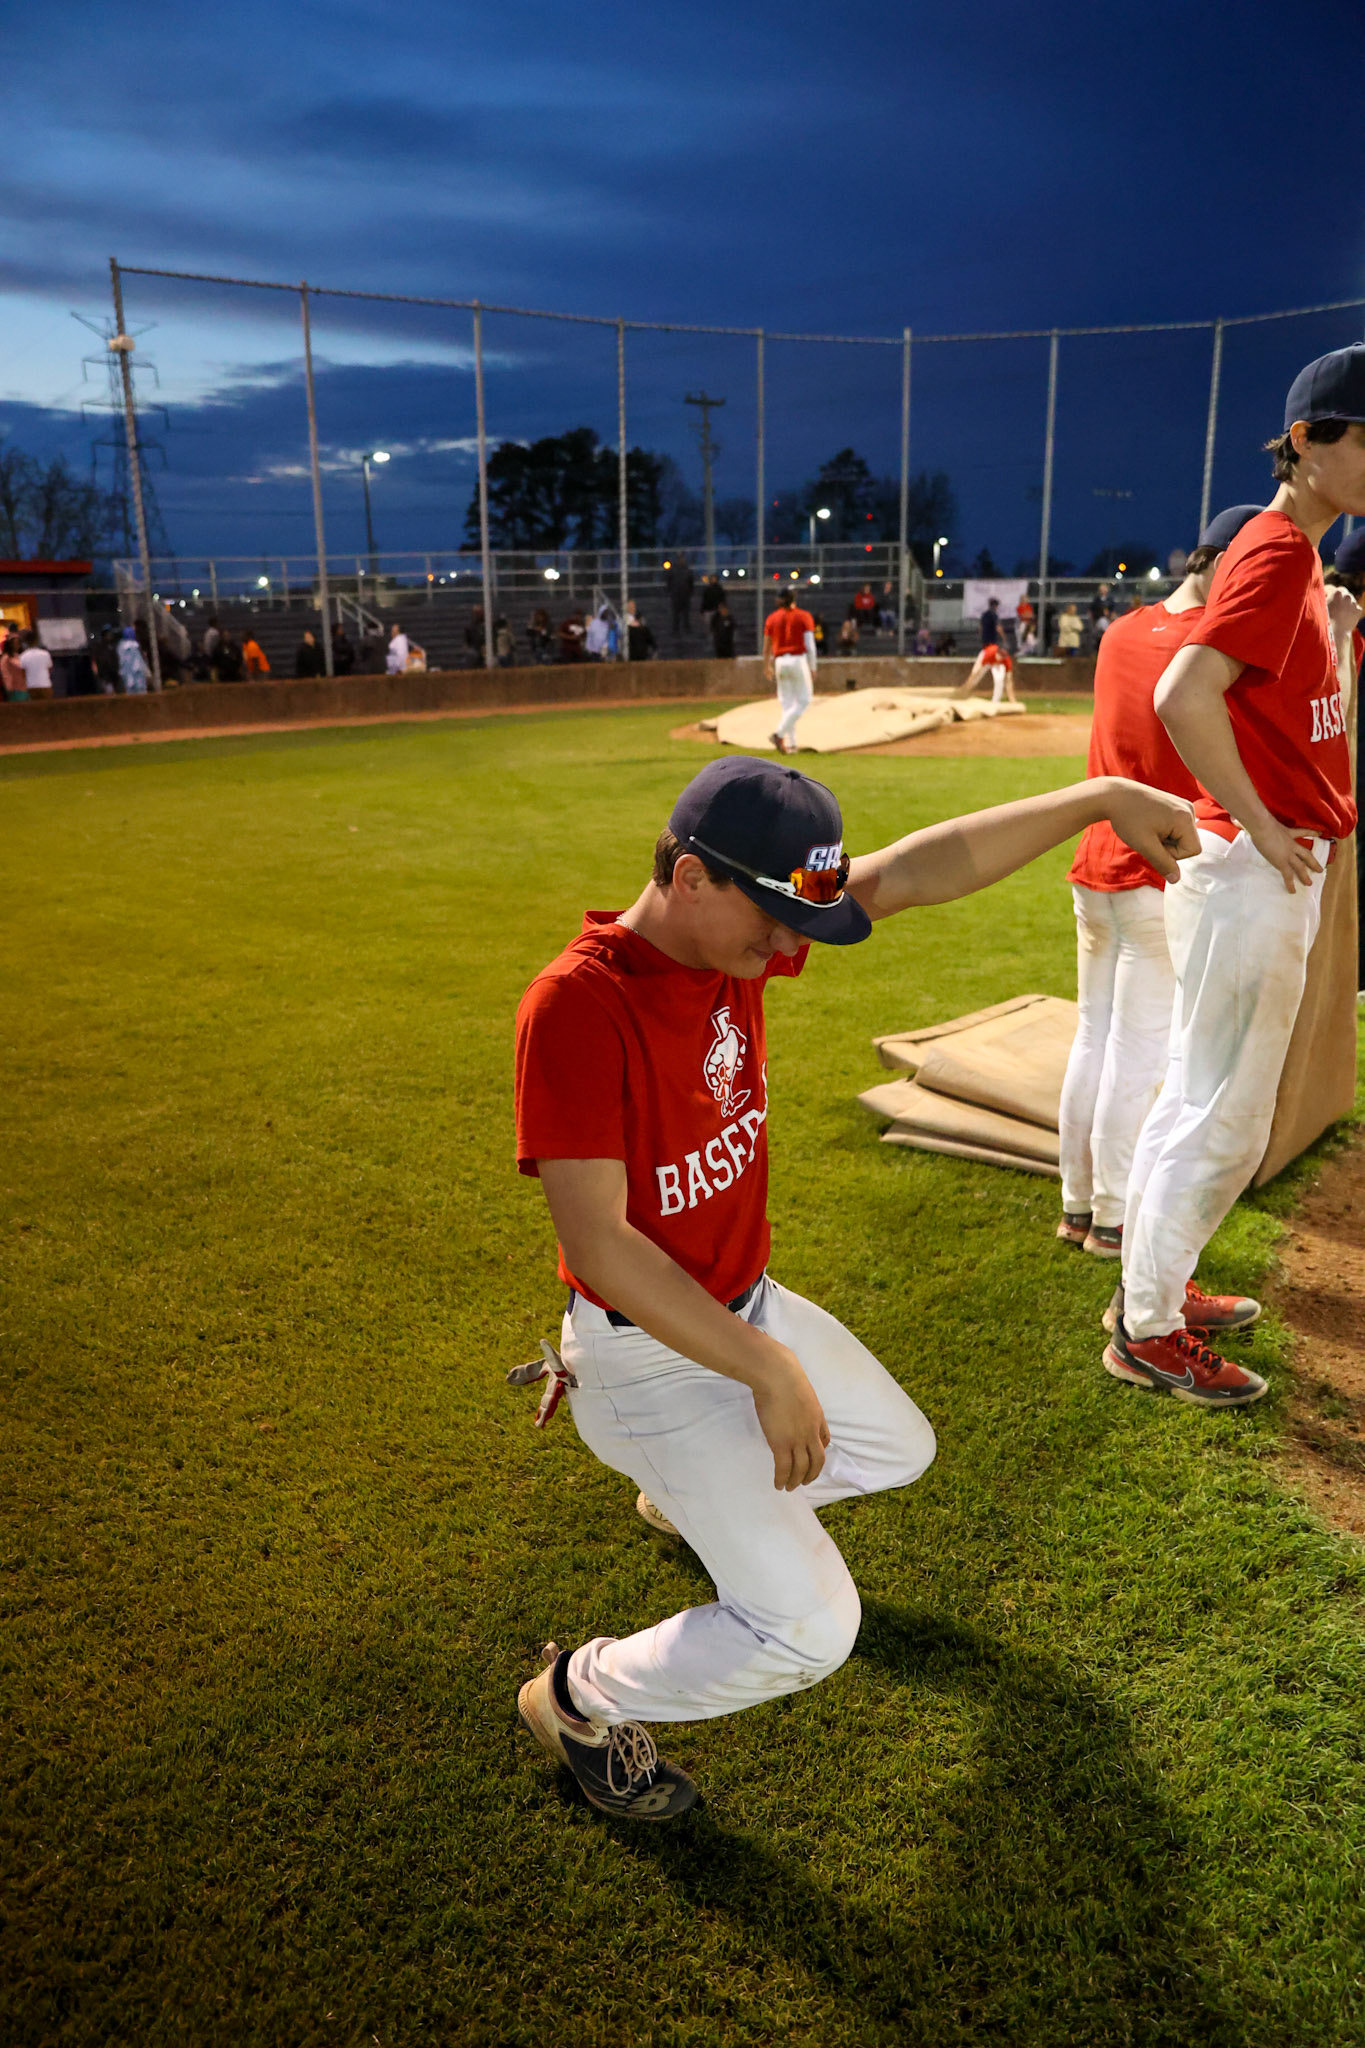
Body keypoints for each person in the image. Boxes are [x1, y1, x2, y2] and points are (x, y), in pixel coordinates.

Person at [512, 753, 1197, 1820]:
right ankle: (577, 1692)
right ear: (691, 877)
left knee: (894, 1446)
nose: (790, 947)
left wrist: (1097, 797)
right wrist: (765, 1365)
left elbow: (918, 869)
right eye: (777, 918)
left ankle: (691, 1501)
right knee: (814, 1628)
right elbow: (599, 1244)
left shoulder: (730, 936)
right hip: (644, 1354)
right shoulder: (575, 1004)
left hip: (745, 1309)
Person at [1105, 344, 1365, 1408]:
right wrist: (1258, 824)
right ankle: (1148, 1329)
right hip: (1254, 869)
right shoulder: (1272, 547)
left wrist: (1336, 639)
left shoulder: (1298, 556)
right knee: (1227, 1116)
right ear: (1307, 441)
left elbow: (1289, 713)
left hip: (1253, 868)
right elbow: (1182, 692)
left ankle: (1150, 1291)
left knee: (1196, 1098)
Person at [1056, 505, 1262, 1261]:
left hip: (1094, 861)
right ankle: (1111, 1214)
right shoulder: (1208, 650)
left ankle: (1077, 1203)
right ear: (1214, 566)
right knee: (1138, 1049)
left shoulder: (1120, 630)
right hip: (1158, 863)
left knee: (1093, 1036)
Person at [763, 587, 818, 755]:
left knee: (787, 704)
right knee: (804, 700)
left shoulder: (772, 618)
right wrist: (813, 666)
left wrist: (766, 665)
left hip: (779, 661)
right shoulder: (803, 616)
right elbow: (809, 645)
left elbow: (766, 646)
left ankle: (792, 745)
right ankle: (779, 734)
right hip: (797, 659)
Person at [961, 639, 1018, 705]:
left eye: (1003, 656)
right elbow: (976, 671)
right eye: (1000, 654)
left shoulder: (1006, 660)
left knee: (999, 680)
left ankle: (995, 702)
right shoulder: (989, 653)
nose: (1001, 657)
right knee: (975, 679)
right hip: (986, 659)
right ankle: (963, 693)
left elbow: (1008, 681)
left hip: (996, 664)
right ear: (997, 651)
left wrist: (1012, 699)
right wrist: (969, 680)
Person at [17, 632, 52, 699]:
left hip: (31, 686)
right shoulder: (45, 654)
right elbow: (49, 669)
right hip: (45, 685)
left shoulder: (23, 656)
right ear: (37, 641)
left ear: (26, 642)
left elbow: (22, 673)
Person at [666, 556, 695, 638]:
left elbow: (691, 582)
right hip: (677, 596)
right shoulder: (675, 571)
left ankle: (685, 628)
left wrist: (690, 592)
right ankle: (677, 629)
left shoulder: (687, 571)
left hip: (684, 595)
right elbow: (669, 582)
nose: (681, 561)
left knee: (685, 614)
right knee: (677, 614)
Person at [117, 625, 150, 695]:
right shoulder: (134, 645)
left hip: (127, 672)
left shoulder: (121, 646)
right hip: (137, 671)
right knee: (140, 689)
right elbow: (140, 659)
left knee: (130, 690)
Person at [2, 632, 27, 700]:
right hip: (15, 689)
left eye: (18, 643)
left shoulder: (22, 656)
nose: (17, 645)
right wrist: (9, 686)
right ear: (10, 645)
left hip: (26, 687)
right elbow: (5, 673)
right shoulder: (6, 658)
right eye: (15, 643)